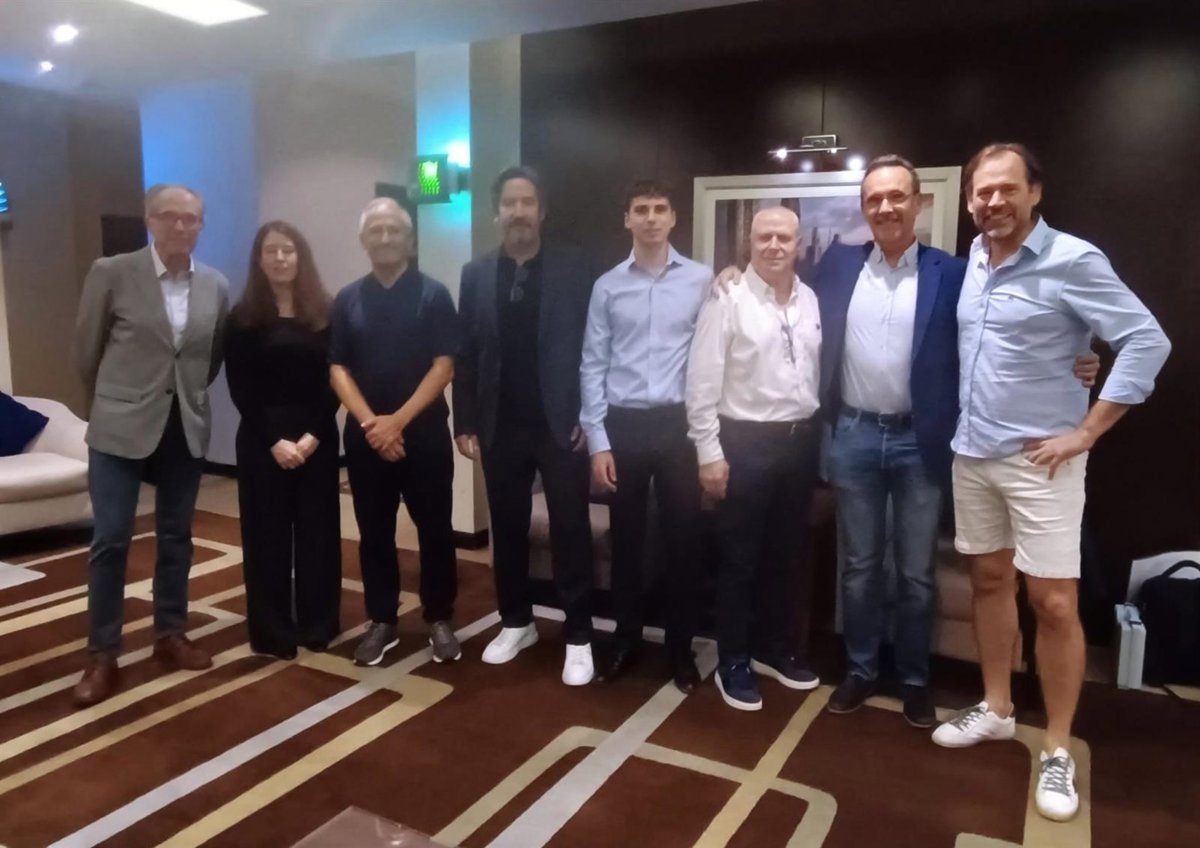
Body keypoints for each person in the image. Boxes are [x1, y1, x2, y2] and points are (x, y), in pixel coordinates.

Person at [816, 156, 1102, 727]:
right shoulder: (837, 265)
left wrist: (1077, 358)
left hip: (920, 442)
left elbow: (999, 332)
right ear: (864, 209)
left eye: (897, 197)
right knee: (860, 566)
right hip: (852, 435)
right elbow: (782, 292)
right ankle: (862, 670)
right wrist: (732, 276)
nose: (885, 208)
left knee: (916, 571)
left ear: (918, 203)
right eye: (874, 199)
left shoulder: (953, 273)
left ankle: (914, 680)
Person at [930, 143, 1170, 822]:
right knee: (988, 580)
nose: (993, 201)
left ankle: (1058, 745)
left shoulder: (1073, 259)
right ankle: (997, 707)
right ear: (969, 200)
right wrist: (1079, 359)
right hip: (973, 453)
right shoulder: (975, 260)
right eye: (982, 192)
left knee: (1056, 604)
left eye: (1006, 188)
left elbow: (1147, 341)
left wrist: (1086, 432)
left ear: (1034, 192)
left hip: (1044, 460)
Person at [72, 183, 229, 707]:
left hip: (184, 424)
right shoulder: (112, 273)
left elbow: (210, 359)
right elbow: (87, 354)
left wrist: (183, 396)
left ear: (201, 225)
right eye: (169, 216)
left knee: (176, 536)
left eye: (191, 218)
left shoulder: (215, 285)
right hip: (120, 426)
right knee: (111, 539)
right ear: (149, 220)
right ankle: (102, 653)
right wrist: (118, 401)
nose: (180, 226)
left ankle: (170, 632)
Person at [453, 166, 598, 686]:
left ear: (542, 210)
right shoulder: (475, 273)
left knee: (570, 529)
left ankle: (578, 635)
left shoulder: (576, 267)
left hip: (562, 425)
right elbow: (466, 353)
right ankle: (517, 621)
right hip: (500, 425)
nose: (518, 211)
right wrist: (465, 420)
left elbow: (597, 346)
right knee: (508, 529)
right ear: (496, 212)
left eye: (527, 202)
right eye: (510, 203)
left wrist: (590, 413)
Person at [686, 206, 822, 711]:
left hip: (799, 443)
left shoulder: (810, 298)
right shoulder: (727, 298)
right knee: (739, 560)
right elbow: (701, 382)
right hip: (743, 443)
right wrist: (709, 453)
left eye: (784, 237)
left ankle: (771, 648)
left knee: (783, 557)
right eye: (764, 237)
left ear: (799, 244)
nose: (774, 246)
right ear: (749, 242)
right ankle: (733, 661)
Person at [580, 179, 711, 694]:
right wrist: (598, 440)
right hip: (625, 425)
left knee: (684, 543)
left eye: (660, 209)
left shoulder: (702, 280)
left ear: (673, 218)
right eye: (641, 209)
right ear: (627, 219)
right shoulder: (607, 286)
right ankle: (625, 639)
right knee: (627, 542)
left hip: (680, 426)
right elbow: (592, 363)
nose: (651, 218)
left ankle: (680, 649)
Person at [330, 198, 461, 667]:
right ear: (363, 241)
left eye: (393, 230)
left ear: (409, 239)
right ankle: (381, 619)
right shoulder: (347, 299)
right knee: (374, 532)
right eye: (376, 231)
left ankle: (439, 617)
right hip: (366, 438)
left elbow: (444, 366)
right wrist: (373, 424)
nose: (385, 238)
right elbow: (338, 368)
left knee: (435, 530)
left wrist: (397, 421)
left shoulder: (433, 295)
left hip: (423, 435)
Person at [225, 221, 341, 660]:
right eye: (271, 251)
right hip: (262, 441)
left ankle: (317, 624)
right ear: (259, 260)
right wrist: (275, 440)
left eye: (287, 250)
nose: (279, 258)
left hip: (317, 437)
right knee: (266, 539)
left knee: (318, 536)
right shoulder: (242, 319)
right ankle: (272, 631)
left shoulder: (326, 313)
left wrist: (312, 436)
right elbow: (241, 388)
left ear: (300, 257)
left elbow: (336, 379)